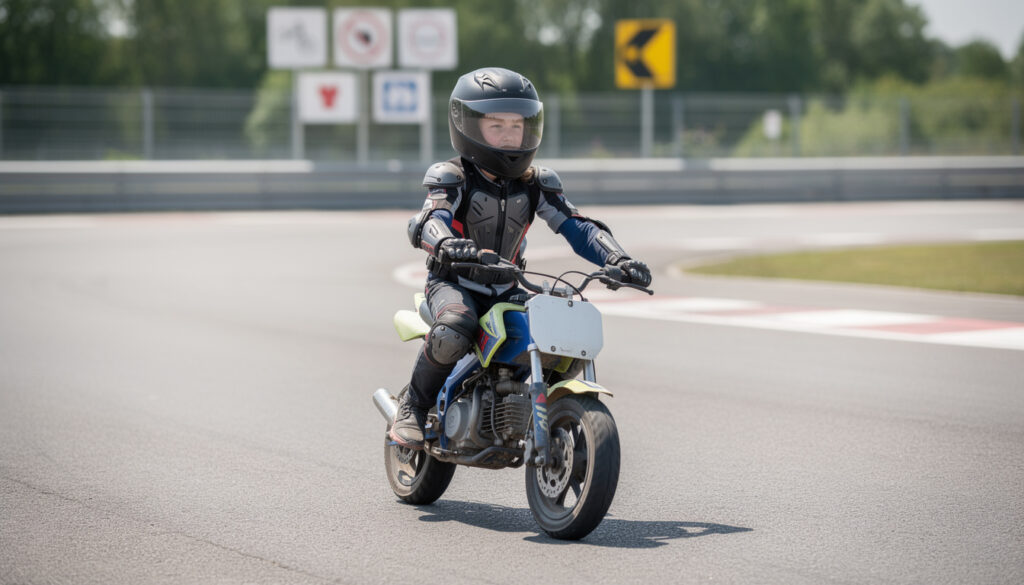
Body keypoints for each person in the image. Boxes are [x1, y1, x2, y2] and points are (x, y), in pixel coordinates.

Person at [391, 67, 652, 449]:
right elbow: (429, 219)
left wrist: (619, 258)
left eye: (517, 126)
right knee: (456, 325)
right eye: (497, 126)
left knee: (562, 324)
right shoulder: (453, 176)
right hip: (453, 283)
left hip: (508, 285)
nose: (510, 136)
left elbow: (577, 227)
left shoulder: (537, 183)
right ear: (467, 125)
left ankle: (534, 408)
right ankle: (413, 406)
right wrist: (446, 243)